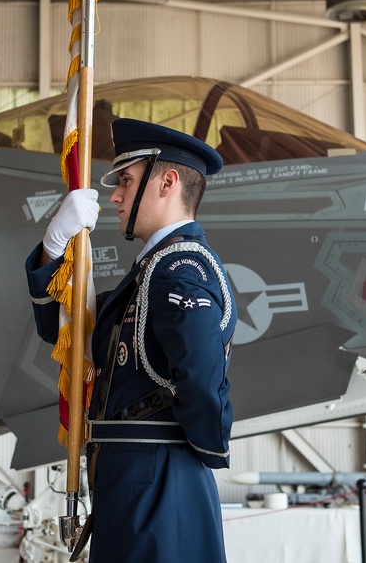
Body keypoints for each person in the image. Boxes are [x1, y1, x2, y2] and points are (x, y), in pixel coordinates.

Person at [24, 118, 236, 562]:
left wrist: (190, 456)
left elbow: (201, 378)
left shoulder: (180, 271)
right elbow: (64, 331)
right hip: (133, 477)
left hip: (159, 482)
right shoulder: (151, 272)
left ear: (168, 182)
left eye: (125, 180)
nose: (115, 196)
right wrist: (53, 245)